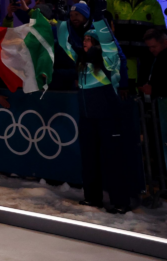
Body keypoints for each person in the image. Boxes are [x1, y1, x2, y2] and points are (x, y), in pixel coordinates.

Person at [60, 15, 130, 213]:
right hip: (87, 119)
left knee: (114, 161)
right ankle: (92, 198)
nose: (84, 42)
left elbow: (109, 43)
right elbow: (65, 44)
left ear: (98, 44)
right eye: (84, 39)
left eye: (89, 40)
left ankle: (120, 202)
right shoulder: (81, 63)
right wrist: (63, 20)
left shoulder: (109, 63)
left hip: (108, 119)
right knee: (89, 160)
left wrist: (99, 19)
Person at [139, 29, 167, 98]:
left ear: (165, 43)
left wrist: (154, 90)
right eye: (149, 47)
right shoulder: (149, 56)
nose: (151, 50)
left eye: (154, 47)